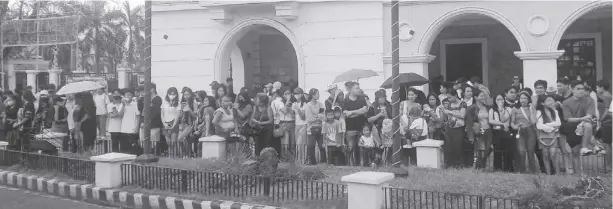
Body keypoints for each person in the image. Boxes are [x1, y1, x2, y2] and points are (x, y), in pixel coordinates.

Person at [561, 81, 597, 157]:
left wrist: (581, 125)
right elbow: (568, 119)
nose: (581, 91)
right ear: (572, 90)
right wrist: (581, 120)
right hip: (571, 127)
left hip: (585, 124)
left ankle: (584, 148)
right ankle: (595, 146)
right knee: (575, 153)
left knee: (588, 125)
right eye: (578, 89)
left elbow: (589, 116)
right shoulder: (566, 102)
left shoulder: (589, 100)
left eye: (582, 89)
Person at [511, 91, 538, 173]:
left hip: (530, 131)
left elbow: (534, 121)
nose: (523, 100)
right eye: (521, 98)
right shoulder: (515, 109)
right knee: (521, 151)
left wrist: (531, 109)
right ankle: (522, 170)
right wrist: (515, 127)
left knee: (530, 151)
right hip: (520, 131)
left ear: (528, 99)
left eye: (525, 98)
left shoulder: (532, 108)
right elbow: (512, 122)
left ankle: (533, 171)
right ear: (519, 99)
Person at [343, 82, 369, 166]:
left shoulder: (361, 99)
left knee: (360, 148)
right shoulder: (345, 101)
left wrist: (351, 112)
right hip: (350, 128)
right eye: (356, 88)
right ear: (350, 90)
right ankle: (350, 166)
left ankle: (360, 165)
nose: (359, 89)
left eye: (359, 88)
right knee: (350, 148)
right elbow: (346, 115)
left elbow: (365, 110)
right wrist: (358, 112)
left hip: (361, 128)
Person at [536, 94, 562, 175]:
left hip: (553, 135)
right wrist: (551, 127)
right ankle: (548, 174)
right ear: (542, 103)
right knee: (545, 155)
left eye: (551, 100)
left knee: (553, 154)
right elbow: (539, 125)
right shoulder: (539, 112)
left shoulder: (555, 111)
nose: (551, 102)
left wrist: (547, 125)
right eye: (548, 100)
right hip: (543, 136)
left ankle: (558, 174)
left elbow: (559, 123)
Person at [489, 94, 515, 172]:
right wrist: (501, 124)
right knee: (497, 151)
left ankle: (508, 168)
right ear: (495, 100)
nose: (500, 101)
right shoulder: (492, 110)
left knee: (507, 151)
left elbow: (504, 120)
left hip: (506, 132)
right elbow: (491, 121)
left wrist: (501, 110)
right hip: (496, 132)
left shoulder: (508, 109)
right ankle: (497, 168)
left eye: (501, 99)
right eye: (498, 100)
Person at [465, 89, 491, 169]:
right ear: (476, 97)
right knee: (480, 151)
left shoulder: (487, 107)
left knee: (487, 150)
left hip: (488, 130)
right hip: (478, 131)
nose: (483, 97)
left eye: (484, 95)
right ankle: (479, 168)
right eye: (481, 95)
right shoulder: (471, 108)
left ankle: (482, 167)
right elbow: (469, 122)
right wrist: (470, 136)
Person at [441, 90, 466, 167]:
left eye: (450, 97)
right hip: (450, 127)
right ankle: (450, 164)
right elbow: (446, 117)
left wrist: (450, 112)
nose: (449, 99)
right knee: (449, 146)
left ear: (455, 95)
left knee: (458, 146)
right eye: (448, 97)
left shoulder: (462, 103)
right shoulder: (449, 104)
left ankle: (459, 164)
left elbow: (462, 115)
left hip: (459, 127)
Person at [304, 88, 326, 165]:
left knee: (322, 146)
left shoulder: (321, 104)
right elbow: (309, 119)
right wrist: (318, 117)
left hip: (320, 128)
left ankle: (323, 162)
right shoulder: (308, 106)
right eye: (317, 94)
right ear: (313, 95)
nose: (319, 95)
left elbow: (323, 116)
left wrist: (316, 117)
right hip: (311, 129)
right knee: (311, 146)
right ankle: (311, 162)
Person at [119, 89, 140, 154]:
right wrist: (123, 105)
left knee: (133, 148)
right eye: (126, 95)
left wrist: (137, 127)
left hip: (132, 129)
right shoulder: (122, 104)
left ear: (132, 96)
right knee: (124, 148)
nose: (127, 97)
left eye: (129, 95)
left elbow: (138, 116)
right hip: (123, 129)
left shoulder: (135, 104)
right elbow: (120, 115)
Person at [292, 87, 308, 163]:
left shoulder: (304, 104)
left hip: (303, 125)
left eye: (297, 93)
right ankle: (298, 160)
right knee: (298, 145)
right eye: (294, 93)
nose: (295, 95)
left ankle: (302, 161)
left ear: (301, 94)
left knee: (300, 144)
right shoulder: (294, 104)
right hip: (296, 125)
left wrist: (298, 109)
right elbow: (293, 116)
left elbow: (303, 117)